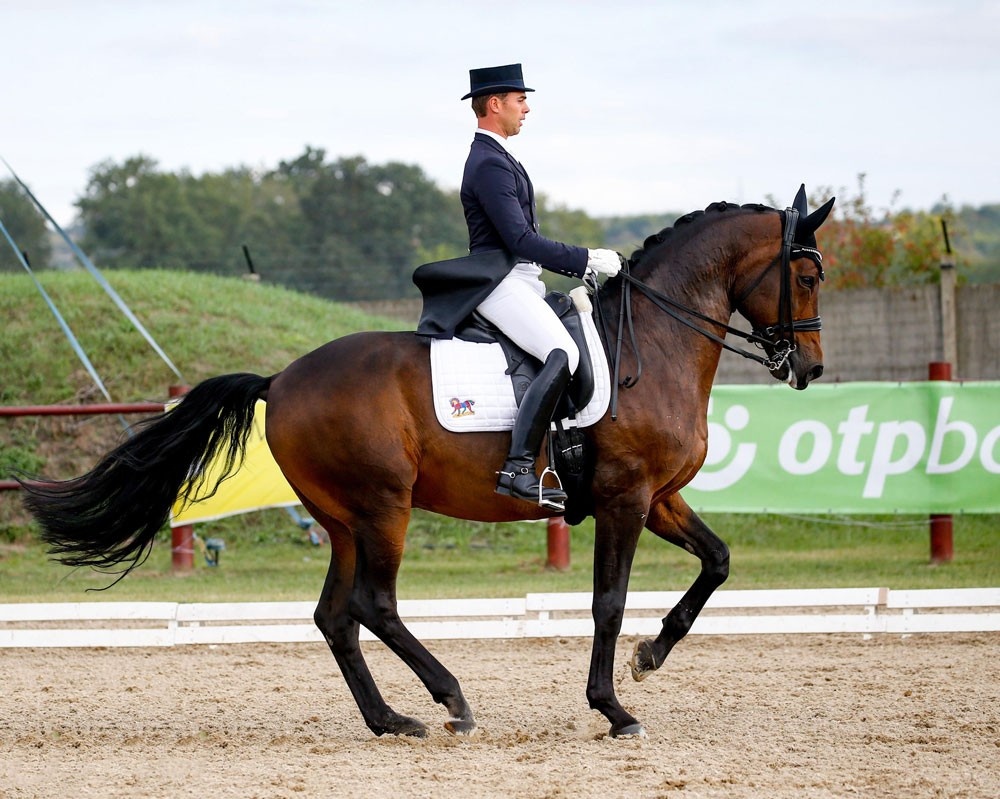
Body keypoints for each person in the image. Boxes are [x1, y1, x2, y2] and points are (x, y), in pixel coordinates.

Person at [460, 63, 621, 510]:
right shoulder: (489, 163)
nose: (526, 108)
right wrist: (585, 257)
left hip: (522, 279)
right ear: (495, 105)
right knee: (563, 354)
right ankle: (516, 468)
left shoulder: (501, 156)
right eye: (520, 100)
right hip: (499, 282)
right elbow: (520, 240)